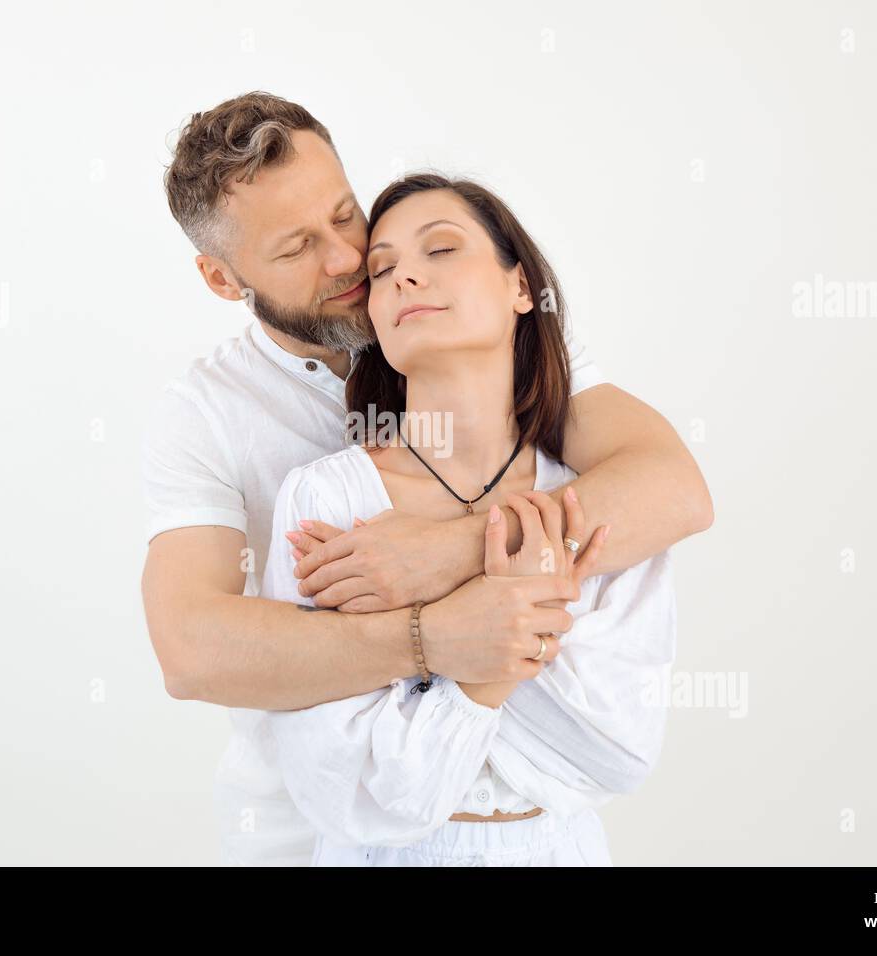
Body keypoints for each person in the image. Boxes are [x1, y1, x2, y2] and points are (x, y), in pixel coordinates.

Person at [141, 91, 712, 865]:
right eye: (295, 247)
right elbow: (191, 651)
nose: (346, 259)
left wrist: (452, 552)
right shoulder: (211, 412)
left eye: (345, 215)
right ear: (221, 278)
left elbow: (672, 487)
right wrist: (437, 637)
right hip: (305, 830)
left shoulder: (463, 321)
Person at [259, 173, 676, 866]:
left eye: (442, 250)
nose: (405, 278)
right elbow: (347, 788)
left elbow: (618, 750)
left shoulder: (601, 498)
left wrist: (441, 645)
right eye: (383, 268)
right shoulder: (325, 503)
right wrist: (505, 642)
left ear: (520, 289)